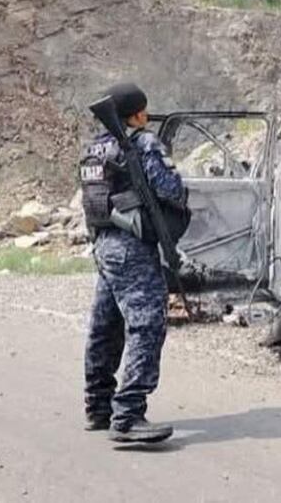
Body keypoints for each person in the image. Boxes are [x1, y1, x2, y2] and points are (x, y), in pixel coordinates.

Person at [80, 83, 188, 444]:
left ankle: (98, 407)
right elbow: (171, 189)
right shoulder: (141, 144)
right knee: (147, 325)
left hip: (103, 244)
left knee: (106, 326)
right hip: (131, 247)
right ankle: (127, 415)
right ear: (138, 114)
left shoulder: (95, 148)